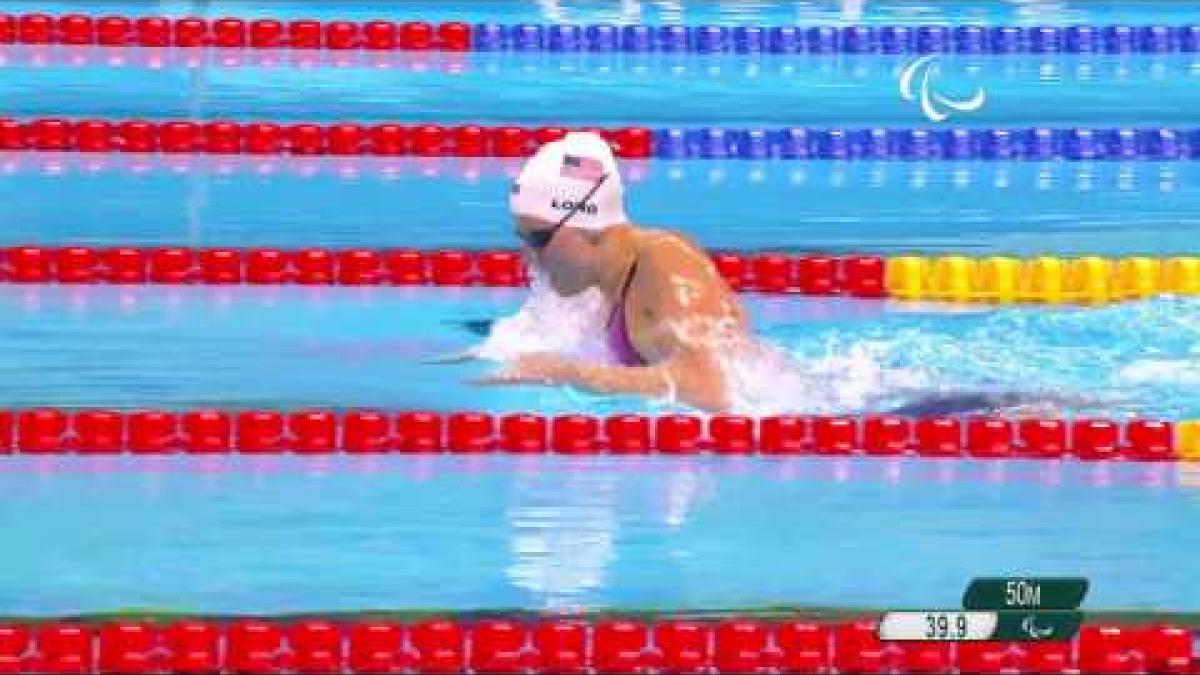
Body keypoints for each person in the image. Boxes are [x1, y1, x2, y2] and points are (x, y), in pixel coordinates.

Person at [478, 131, 748, 411]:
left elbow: (710, 389)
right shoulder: (609, 280)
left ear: (588, 224)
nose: (529, 258)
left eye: (538, 239)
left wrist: (569, 373)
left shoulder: (666, 263)